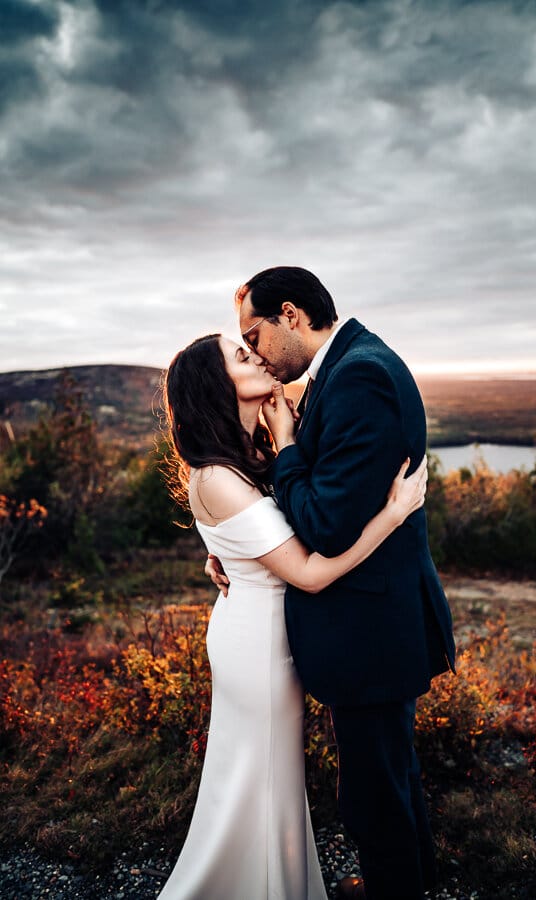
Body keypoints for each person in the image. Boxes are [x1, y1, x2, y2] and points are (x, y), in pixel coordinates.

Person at [208, 267, 456, 900]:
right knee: (389, 773)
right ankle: (410, 884)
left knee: (371, 790)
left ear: (290, 315)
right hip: (379, 621)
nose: (255, 353)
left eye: (253, 335)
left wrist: (288, 444)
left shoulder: (359, 377)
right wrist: (239, 553)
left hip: (371, 627)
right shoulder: (347, 367)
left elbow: (323, 524)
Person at [157, 332, 429, 900]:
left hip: (272, 636)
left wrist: (282, 442)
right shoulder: (217, 476)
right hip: (256, 648)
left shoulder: (248, 453)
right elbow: (307, 571)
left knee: (273, 778)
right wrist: (393, 515)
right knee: (259, 776)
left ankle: (276, 882)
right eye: (240, 354)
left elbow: (277, 521)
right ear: (216, 385)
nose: (255, 355)